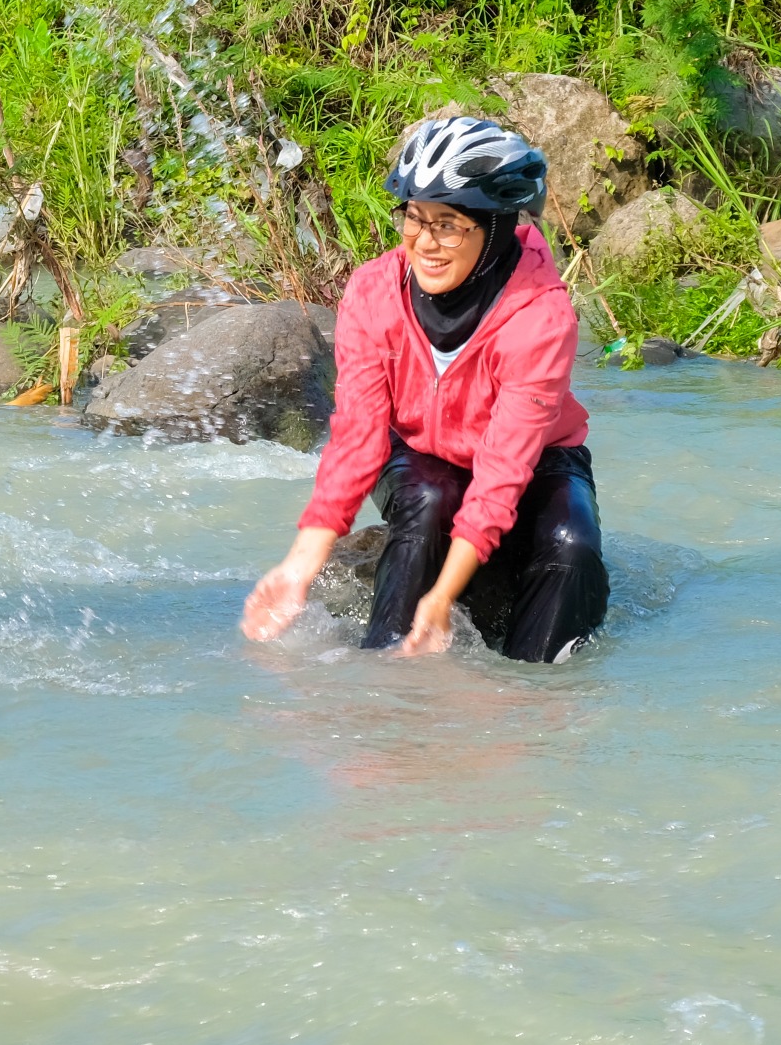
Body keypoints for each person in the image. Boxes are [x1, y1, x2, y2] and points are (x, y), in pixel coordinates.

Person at [240, 116, 608, 662]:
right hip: (417, 453)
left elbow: (505, 469)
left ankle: (535, 708)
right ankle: (382, 675)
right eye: (414, 219)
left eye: (449, 225)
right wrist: (299, 567)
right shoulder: (372, 292)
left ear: (497, 229)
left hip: (541, 461)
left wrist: (444, 595)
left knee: (571, 550)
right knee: (432, 499)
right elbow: (357, 440)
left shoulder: (541, 317)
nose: (424, 243)